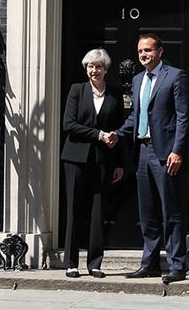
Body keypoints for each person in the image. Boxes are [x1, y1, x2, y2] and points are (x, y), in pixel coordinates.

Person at [112, 33, 189, 284]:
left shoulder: (175, 76)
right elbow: (136, 115)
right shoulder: (137, 80)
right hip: (143, 152)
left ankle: (177, 265)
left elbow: (183, 116)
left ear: (160, 51)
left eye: (147, 50)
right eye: (140, 51)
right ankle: (150, 264)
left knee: (171, 212)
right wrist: (118, 133)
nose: (143, 55)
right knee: (147, 212)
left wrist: (177, 150)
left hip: (166, 153)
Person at [60, 48, 124, 279]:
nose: (94, 70)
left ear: (105, 69)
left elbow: (118, 130)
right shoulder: (77, 90)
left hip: (103, 160)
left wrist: (119, 163)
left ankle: (95, 263)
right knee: (74, 209)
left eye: (98, 67)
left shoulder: (115, 95)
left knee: (98, 211)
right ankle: (71, 263)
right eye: (90, 66)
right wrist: (98, 135)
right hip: (75, 158)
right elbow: (69, 124)